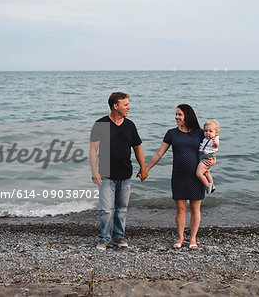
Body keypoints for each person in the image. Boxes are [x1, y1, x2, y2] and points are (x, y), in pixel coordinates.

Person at [144, 104, 215, 250]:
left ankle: (193, 238)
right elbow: (159, 153)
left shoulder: (200, 133)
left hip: (196, 176)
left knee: (195, 209)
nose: (176, 117)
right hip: (178, 176)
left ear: (187, 116)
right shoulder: (172, 133)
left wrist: (212, 163)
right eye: (176, 114)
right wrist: (146, 169)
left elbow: (211, 150)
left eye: (179, 114)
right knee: (180, 208)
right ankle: (181, 237)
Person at [89, 92, 148, 251]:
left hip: (125, 172)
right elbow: (93, 150)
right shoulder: (100, 124)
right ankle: (104, 239)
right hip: (106, 172)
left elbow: (137, 148)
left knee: (121, 209)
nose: (129, 107)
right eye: (125, 104)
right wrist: (94, 171)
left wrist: (143, 168)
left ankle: (118, 237)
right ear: (116, 106)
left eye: (128, 104)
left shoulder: (130, 125)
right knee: (106, 210)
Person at [196, 120, 220, 194]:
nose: (208, 133)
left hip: (207, 157)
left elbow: (216, 146)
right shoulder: (206, 139)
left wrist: (216, 144)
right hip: (204, 156)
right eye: (206, 131)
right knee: (207, 173)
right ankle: (212, 185)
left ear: (216, 133)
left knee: (199, 174)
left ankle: (207, 186)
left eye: (210, 131)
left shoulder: (214, 139)